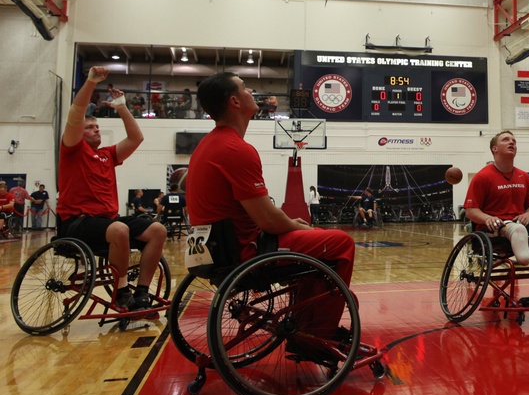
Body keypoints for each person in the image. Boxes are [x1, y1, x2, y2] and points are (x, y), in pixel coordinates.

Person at [185, 72, 356, 351]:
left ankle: (306, 320)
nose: (251, 90)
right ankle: (318, 335)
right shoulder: (235, 149)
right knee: (340, 242)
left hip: (215, 249)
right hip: (245, 251)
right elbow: (266, 220)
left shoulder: (206, 145)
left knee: (308, 247)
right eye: (244, 87)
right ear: (234, 101)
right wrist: (302, 227)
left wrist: (288, 222)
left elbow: (260, 213)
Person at [57, 66, 167, 311]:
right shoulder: (72, 150)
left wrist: (121, 107)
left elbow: (136, 138)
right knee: (119, 229)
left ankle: (141, 292)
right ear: (78, 133)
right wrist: (91, 83)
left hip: (107, 221)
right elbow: (76, 113)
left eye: (97, 127)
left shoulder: (107, 155)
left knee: (158, 229)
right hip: (77, 222)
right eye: (89, 127)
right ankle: (121, 291)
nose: (95, 129)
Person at [463, 130, 529, 266]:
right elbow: (471, 211)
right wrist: (488, 218)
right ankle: (522, 257)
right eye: (506, 140)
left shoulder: (524, 176)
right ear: (494, 149)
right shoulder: (482, 177)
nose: (511, 142)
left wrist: (528, 215)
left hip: (519, 223)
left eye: (514, 141)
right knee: (518, 231)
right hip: (493, 228)